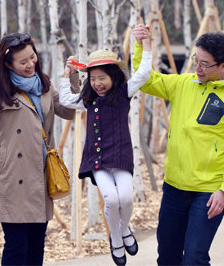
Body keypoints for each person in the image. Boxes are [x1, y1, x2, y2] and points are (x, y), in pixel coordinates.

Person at [133, 25, 224, 266]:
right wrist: (141, 46)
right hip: (174, 188)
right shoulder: (182, 84)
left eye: (205, 64)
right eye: (195, 60)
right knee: (167, 257)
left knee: (194, 259)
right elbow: (146, 80)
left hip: (208, 193)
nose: (197, 67)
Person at [0, 32, 75, 266]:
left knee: (36, 246)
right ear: (8, 64)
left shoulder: (44, 84)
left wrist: (71, 78)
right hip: (13, 177)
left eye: (32, 57)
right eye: (23, 61)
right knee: (16, 247)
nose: (30, 64)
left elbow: (68, 111)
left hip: (40, 175)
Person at [58, 26, 153, 266]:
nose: (97, 83)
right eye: (93, 79)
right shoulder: (88, 100)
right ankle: (117, 240)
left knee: (127, 199)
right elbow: (65, 99)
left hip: (120, 156)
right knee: (111, 200)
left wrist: (146, 44)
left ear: (113, 76)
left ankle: (123, 229)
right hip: (97, 159)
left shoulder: (123, 93)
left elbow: (143, 73)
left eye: (102, 78)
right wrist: (66, 74)